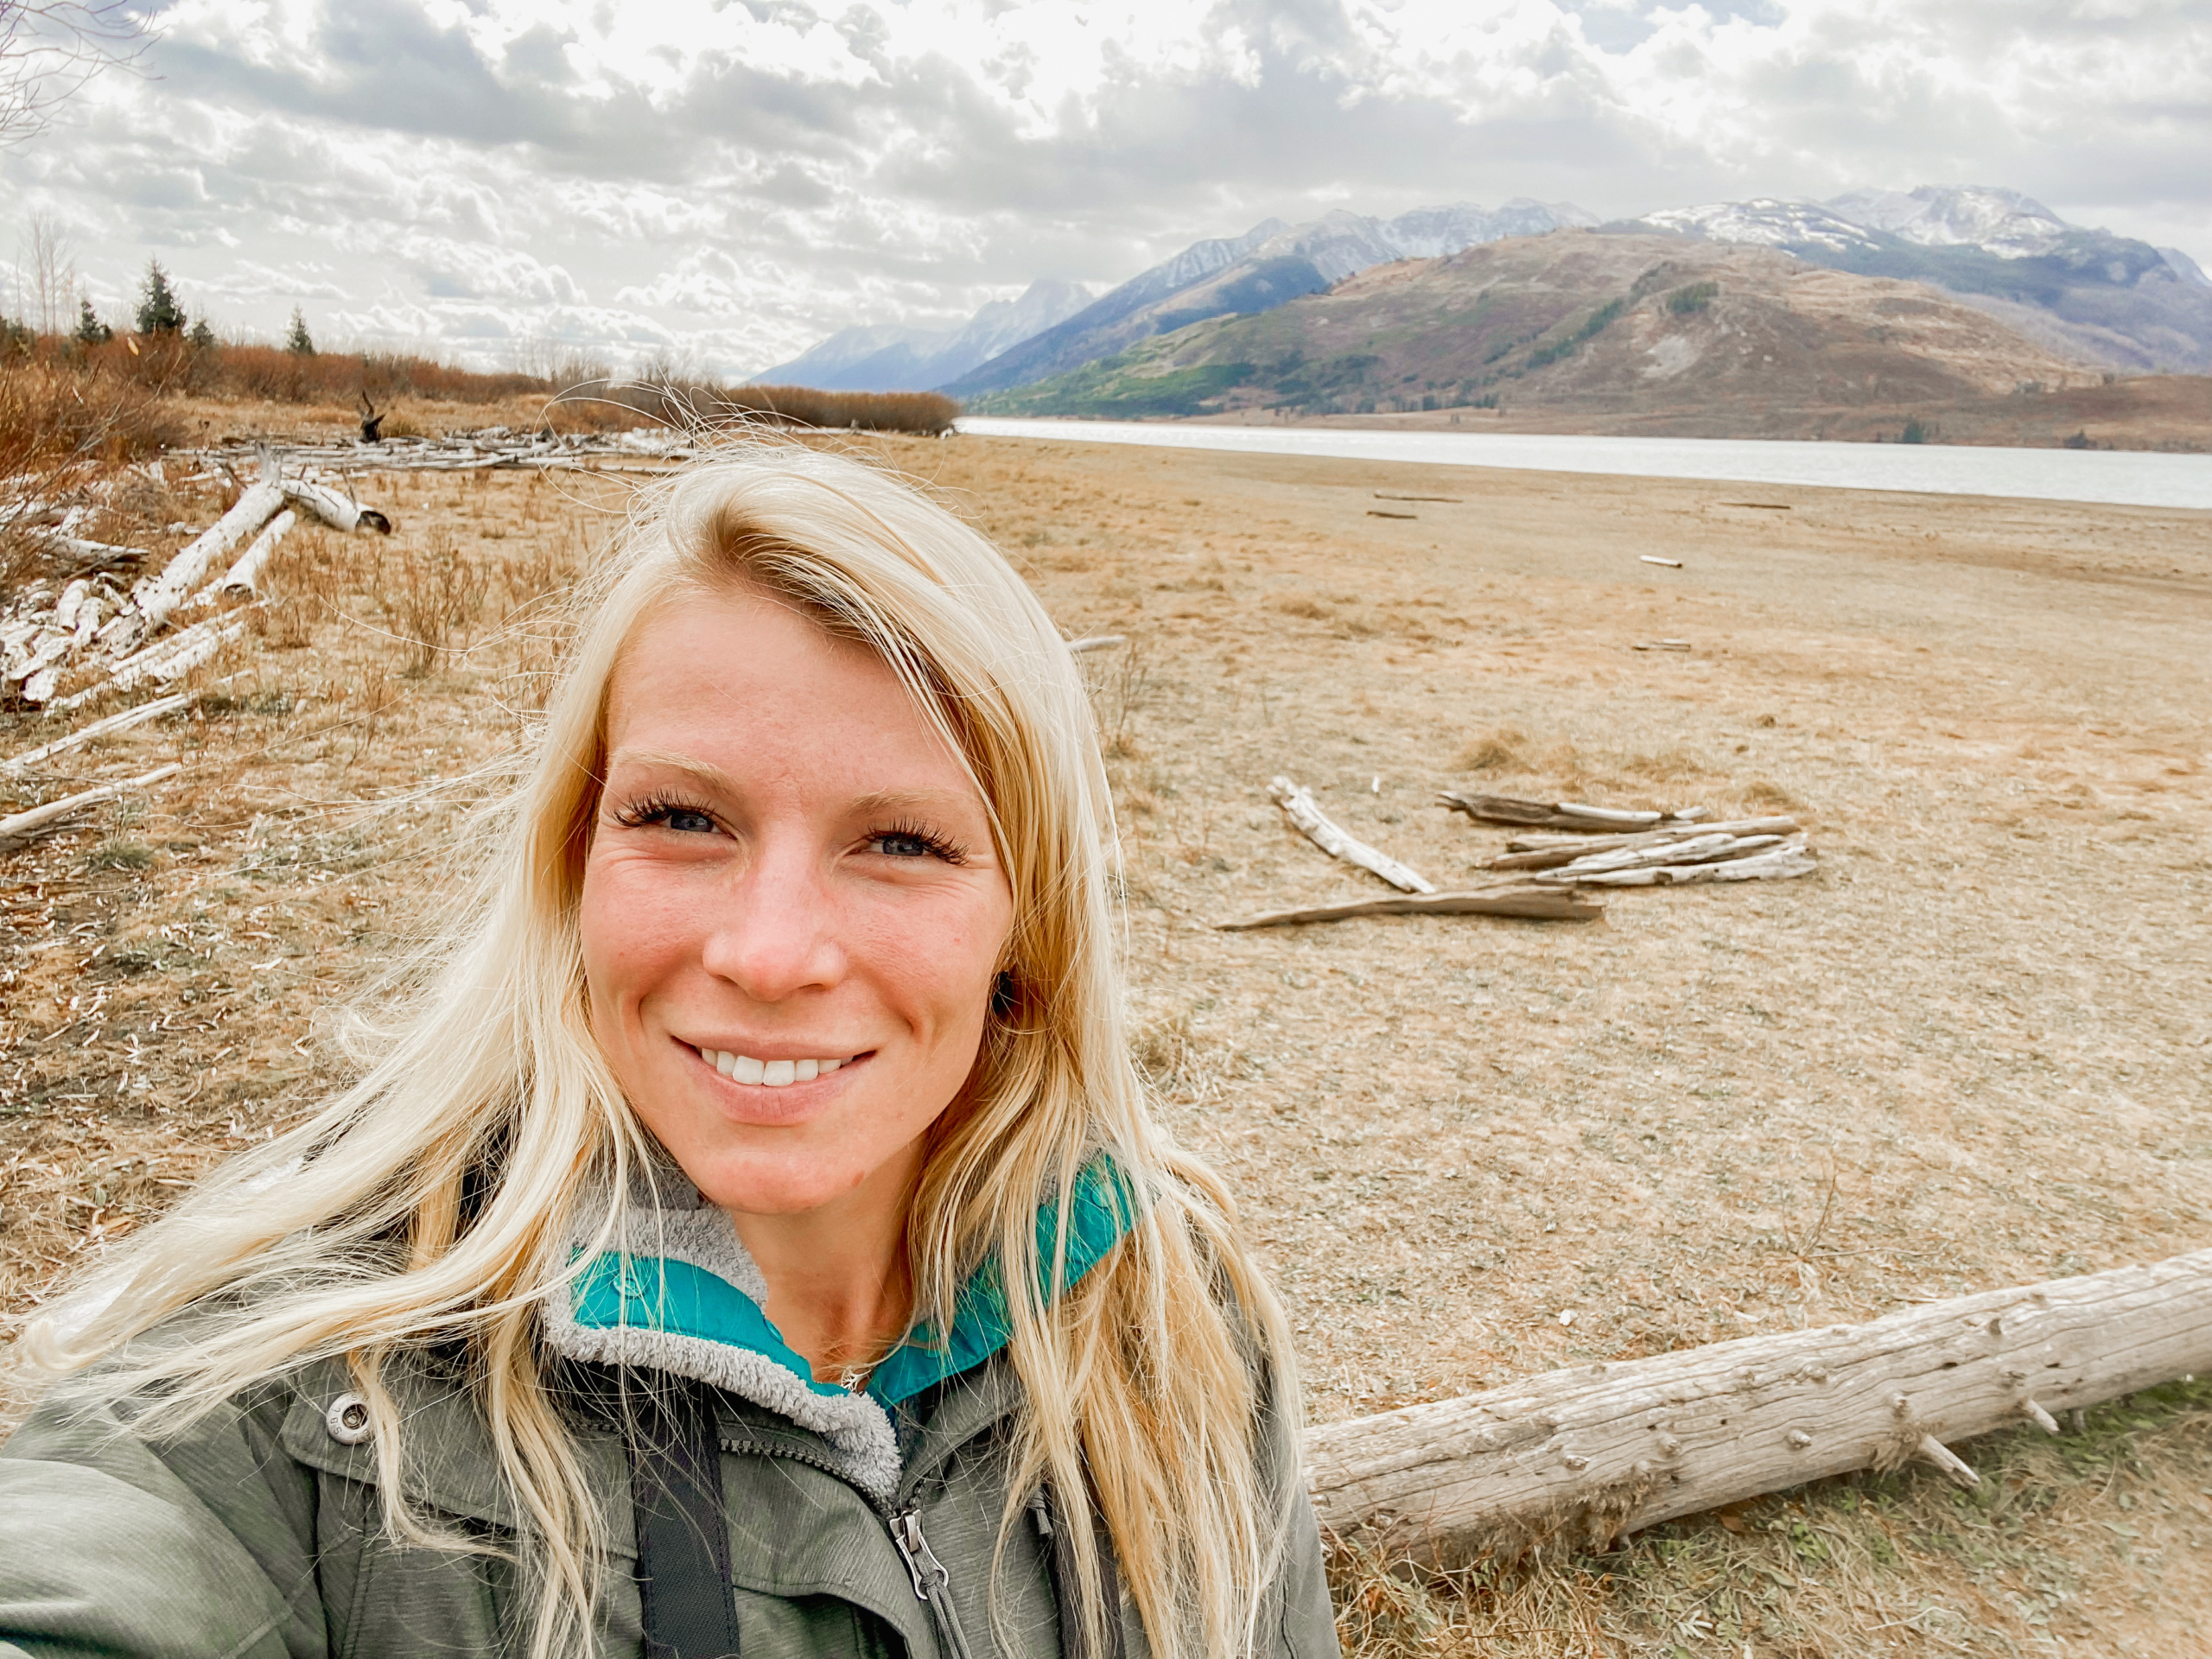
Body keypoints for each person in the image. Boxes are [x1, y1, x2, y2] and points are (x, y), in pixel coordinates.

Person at [0, 442, 1340, 1659]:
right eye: (686, 819)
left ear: (1026, 925)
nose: (769, 954)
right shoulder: (304, 1394)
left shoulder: (1169, 1315)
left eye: (904, 843)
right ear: (574, 862)